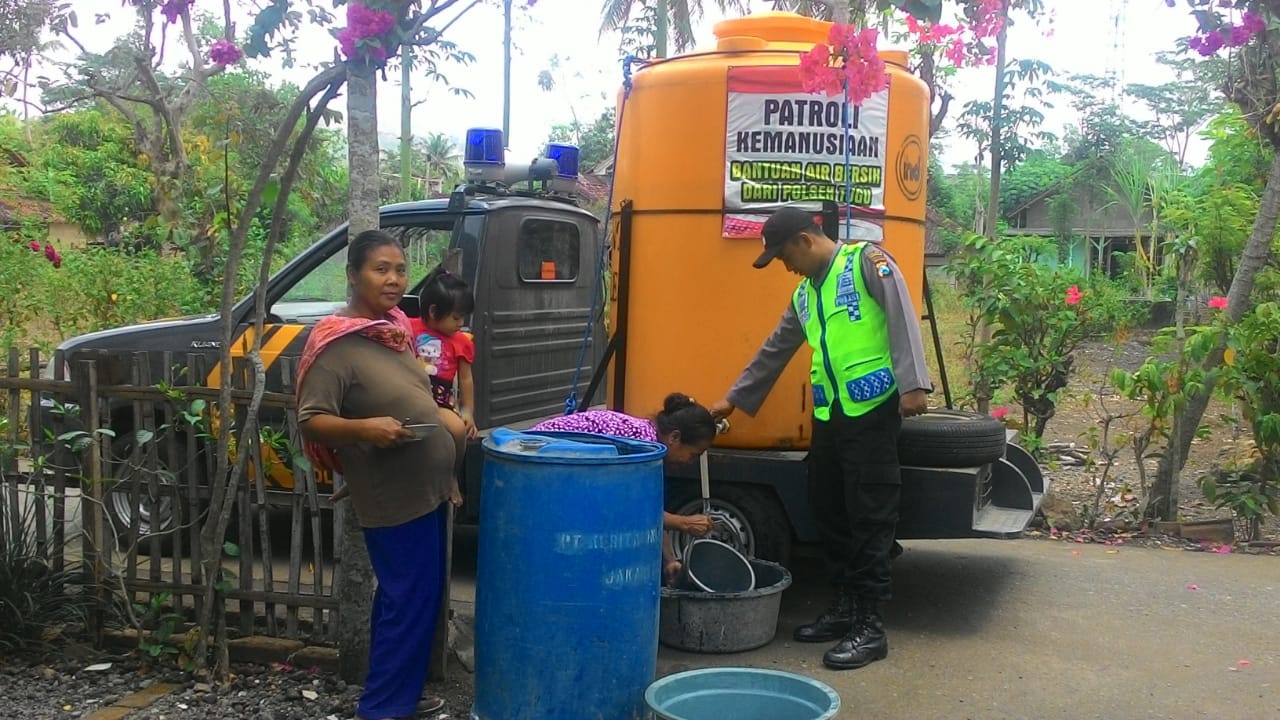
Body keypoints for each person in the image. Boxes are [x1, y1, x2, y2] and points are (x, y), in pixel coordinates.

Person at [710, 206, 931, 672]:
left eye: (784, 256)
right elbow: (776, 348)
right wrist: (734, 399)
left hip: (873, 410)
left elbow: (902, 317)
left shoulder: (866, 262)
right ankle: (845, 606)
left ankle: (870, 626)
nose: (785, 266)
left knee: (870, 516)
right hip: (830, 414)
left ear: (805, 241)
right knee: (829, 510)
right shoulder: (805, 293)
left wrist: (914, 385)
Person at [296, 229, 459, 720]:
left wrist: (448, 458)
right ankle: (383, 708)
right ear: (353, 275)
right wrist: (366, 428)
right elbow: (311, 418)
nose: (393, 280)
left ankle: (400, 695)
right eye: (380, 269)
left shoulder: (393, 329)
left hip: (427, 488)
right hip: (391, 495)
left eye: (401, 270)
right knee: (406, 600)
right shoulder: (336, 344)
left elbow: (418, 399)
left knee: (414, 598)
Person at [530, 394, 719, 585]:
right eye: (693, 454)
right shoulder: (640, 448)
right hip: (537, 463)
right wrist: (683, 523)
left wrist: (670, 561)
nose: (690, 462)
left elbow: (651, 508)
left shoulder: (649, 442)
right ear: (674, 437)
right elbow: (631, 508)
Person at [408, 265, 478, 473]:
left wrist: (467, 411)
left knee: (457, 429)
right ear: (433, 311)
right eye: (456, 318)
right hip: (409, 393)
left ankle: (452, 474)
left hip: (439, 399)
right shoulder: (407, 328)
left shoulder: (461, 342)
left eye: (463, 317)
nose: (461, 323)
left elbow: (465, 379)